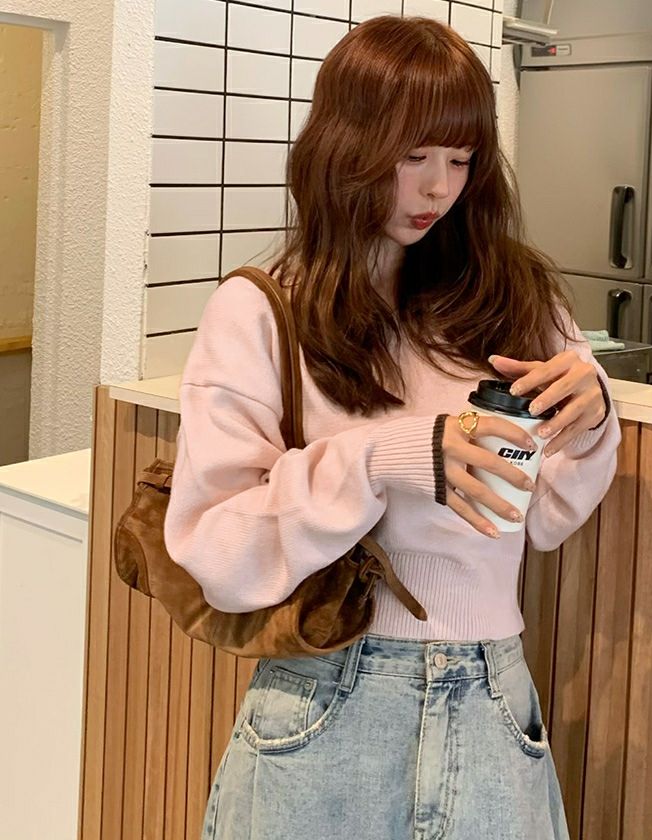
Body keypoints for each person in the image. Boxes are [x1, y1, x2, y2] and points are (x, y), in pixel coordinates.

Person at [163, 15, 621, 840]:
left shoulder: (518, 298)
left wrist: (589, 421)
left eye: (461, 159)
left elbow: (547, 517)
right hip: (324, 698)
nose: (439, 188)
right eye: (413, 157)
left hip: (491, 692)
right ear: (344, 147)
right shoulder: (261, 309)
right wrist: (384, 460)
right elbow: (217, 554)